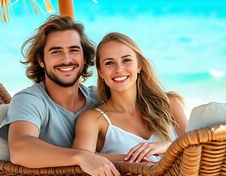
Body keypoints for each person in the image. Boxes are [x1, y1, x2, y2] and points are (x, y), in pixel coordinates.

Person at [0, 15, 120, 176]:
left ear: (84, 58)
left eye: (74, 50)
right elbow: (20, 149)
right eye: (56, 52)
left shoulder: (99, 97)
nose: (66, 59)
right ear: (41, 60)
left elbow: (149, 102)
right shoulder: (29, 99)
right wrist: (81, 157)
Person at [73, 32, 188, 163]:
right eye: (110, 63)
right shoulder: (94, 120)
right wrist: (135, 160)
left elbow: (198, 148)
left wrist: (168, 146)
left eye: (126, 60)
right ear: (101, 73)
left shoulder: (169, 104)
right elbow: (80, 160)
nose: (119, 68)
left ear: (139, 66)